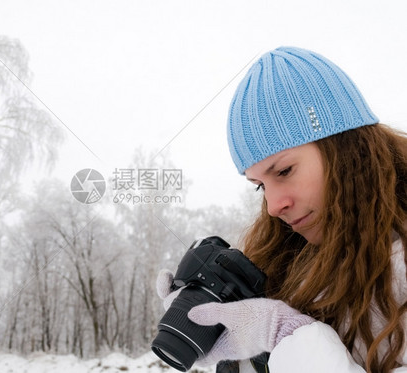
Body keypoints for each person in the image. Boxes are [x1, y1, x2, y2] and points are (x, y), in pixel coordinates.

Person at [157, 46, 407, 372]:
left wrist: (288, 335)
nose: (274, 207)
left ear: (346, 148)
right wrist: (240, 349)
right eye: (260, 186)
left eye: (284, 171)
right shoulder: (293, 264)